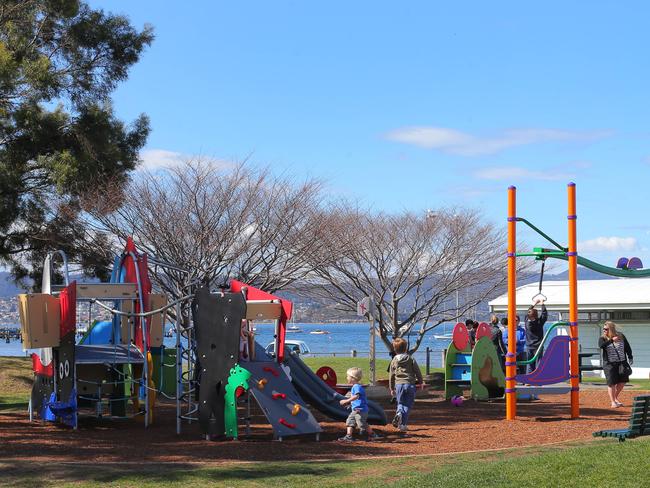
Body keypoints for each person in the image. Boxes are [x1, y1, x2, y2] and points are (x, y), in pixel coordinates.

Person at [389, 337, 423, 437]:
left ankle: (399, 413)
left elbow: (391, 375)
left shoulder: (394, 360)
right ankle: (403, 424)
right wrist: (421, 382)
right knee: (408, 404)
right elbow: (417, 371)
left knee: (401, 403)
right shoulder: (410, 358)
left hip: (398, 385)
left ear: (395, 349)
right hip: (409, 384)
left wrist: (391, 388)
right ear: (406, 348)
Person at [338, 367, 382, 441]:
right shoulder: (355, 386)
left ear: (353, 378)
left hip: (360, 410)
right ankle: (349, 436)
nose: (347, 378)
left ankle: (372, 434)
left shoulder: (356, 387)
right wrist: (350, 404)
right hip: (356, 409)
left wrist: (346, 401)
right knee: (350, 421)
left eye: (348, 376)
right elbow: (357, 399)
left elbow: (356, 396)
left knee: (362, 424)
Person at [599, 321, 633, 408]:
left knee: (623, 381)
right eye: (603, 329)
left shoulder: (621, 336)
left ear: (611, 329)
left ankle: (615, 398)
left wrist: (630, 357)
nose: (604, 330)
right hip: (609, 364)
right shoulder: (602, 338)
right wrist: (611, 340)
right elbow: (601, 346)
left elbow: (627, 347)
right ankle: (613, 402)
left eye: (606, 329)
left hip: (622, 362)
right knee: (612, 383)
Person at [525, 299, 548, 373]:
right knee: (539, 362)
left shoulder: (527, 321)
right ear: (536, 316)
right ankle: (538, 377)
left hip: (529, 345)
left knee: (529, 362)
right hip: (538, 345)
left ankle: (529, 378)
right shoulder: (539, 322)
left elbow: (528, 312)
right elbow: (544, 314)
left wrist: (534, 303)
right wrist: (542, 304)